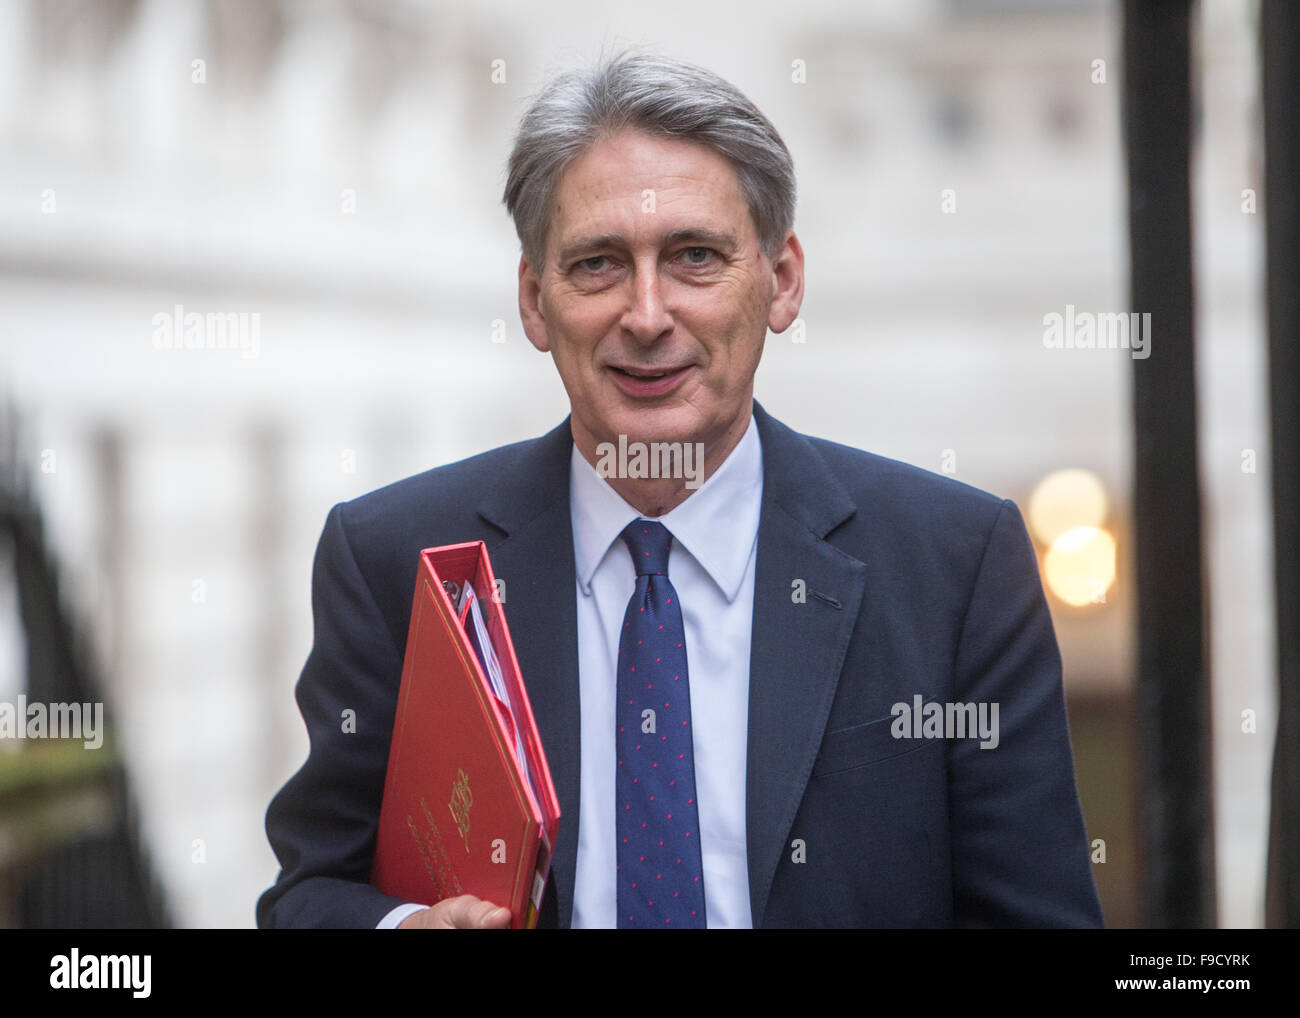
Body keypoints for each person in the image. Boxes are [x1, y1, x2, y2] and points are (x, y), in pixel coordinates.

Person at [256, 51, 1103, 929]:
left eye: (695, 257)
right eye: (598, 264)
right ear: (534, 301)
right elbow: (308, 891)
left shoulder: (955, 569)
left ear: (782, 281)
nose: (649, 315)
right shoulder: (395, 560)